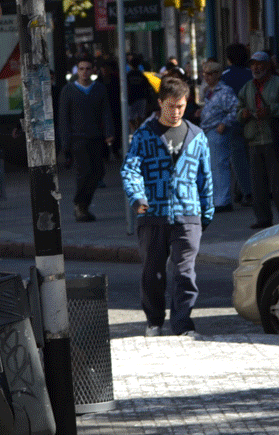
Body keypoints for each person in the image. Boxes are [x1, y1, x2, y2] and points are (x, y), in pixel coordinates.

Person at [121, 75, 214, 337]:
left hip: (189, 213)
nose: (176, 112)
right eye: (171, 106)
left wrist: (206, 212)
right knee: (153, 273)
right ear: (160, 103)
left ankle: (183, 325)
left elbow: (205, 177)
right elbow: (130, 170)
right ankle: (154, 321)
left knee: (185, 273)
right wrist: (138, 198)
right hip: (152, 214)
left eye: (181, 106)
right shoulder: (144, 135)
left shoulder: (197, 136)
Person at [57, 56, 115, 221]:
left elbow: (106, 112)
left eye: (88, 69)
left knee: (98, 172)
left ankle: (84, 204)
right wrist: (65, 141)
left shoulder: (99, 89)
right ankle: (80, 205)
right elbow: (63, 117)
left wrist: (109, 132)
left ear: (93, 70)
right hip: (77, 138)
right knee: (84, 171)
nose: (84, 72)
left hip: (95, 136)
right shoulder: (68, 90)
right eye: (81, 69)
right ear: (77, 70)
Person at [236, 50, 279, 229]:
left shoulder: (276, 83)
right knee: (258, 184)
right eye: (253, 64)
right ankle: (263, 218)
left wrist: (271, 110)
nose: (256, 67)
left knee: (277, 183)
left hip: (273, 139)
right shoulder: (248, 87)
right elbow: (238, 108)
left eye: (260, 64)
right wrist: (243, 113)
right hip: (254, 140)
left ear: (268, 66)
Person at [198, 59, 238, 212]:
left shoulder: (224, 91)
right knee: (212, 167)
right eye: (204, 73)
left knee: (220, 166)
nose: (206, 77)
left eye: (210, 73)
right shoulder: (209, 91)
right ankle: (217, 199)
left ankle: (223, 200)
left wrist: (224, 123)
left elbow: (235, 109)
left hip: (217, 131)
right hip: (208, 131)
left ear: (217, 74)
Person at [221, 43, 253, 204]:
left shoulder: (225, 76)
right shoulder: (251, 74)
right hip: (253, 118)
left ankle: (247, 191)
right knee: (252, 156)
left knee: (238, 158)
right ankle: (243, 189)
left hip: (233, 121)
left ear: (229, 58)